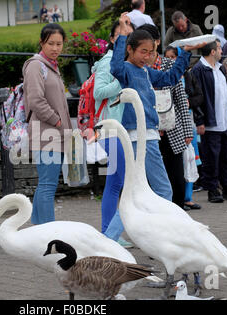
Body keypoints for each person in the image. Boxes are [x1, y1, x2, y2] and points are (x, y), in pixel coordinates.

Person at [110, 13, 203, 210]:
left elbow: (170, 78)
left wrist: (184, 53)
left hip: (145, 135)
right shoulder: (126, 70)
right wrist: (122, 35)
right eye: (143, 51)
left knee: (137, 191)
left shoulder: (145, 71)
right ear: (130, 49)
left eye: (151, 52)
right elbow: (115, 68)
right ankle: (161, 233)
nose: (148, 57)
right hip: (141, 136)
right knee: (163, 190)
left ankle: (114, 234)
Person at [138, 23, 194, 210]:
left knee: (176, 178)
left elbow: (181, 99)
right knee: (151, 181)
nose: (149, 51)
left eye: (152, 43)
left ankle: (177, 214)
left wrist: (187, 131)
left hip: (172, 130)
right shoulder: (137, 68)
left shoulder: (170, 65)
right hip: (147, 131)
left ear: (158, 42)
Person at [22, 23, 72, 224]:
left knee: (46, 184)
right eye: (51, 43)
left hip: (55, 133)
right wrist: (57, 121)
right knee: (48, 185)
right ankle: (49, 231)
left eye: (59, 44)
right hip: (47, 133)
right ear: (42, 42)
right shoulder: (36, 65)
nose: (55, 48)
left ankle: (36, 227)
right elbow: (35, 100)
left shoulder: (51, 66)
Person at [92, 19, 134, 248]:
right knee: (116, 181)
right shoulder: (107, 61)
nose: (125, 41)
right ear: (112, 40)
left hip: (120, 129)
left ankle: (111, 231)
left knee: (118, 181)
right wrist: (120, 83)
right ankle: (108, 232)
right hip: (109, 129)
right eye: (121, 36)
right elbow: (99, 93)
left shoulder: (126, 63)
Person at [192, 39, 227, 203]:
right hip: (211, 123)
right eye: (218, 48)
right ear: (212, 51)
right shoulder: (199, 70)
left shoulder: (220, 69)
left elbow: (225, 94)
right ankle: (212, 189)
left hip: (225, 122)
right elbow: (197, 97)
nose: (221, 50)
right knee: (211, 159)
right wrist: (200, 120)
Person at [164, 45, 204, 210]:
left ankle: (187, 198)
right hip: (168, 128)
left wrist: (189, 128)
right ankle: (176, 202)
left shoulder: (185, 75)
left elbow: (194, 97)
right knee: (175, 168)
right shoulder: (163, 72)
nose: (171, 61)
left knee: (188, 161)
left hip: (184, 124)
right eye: (168, 57)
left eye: (174, 57)